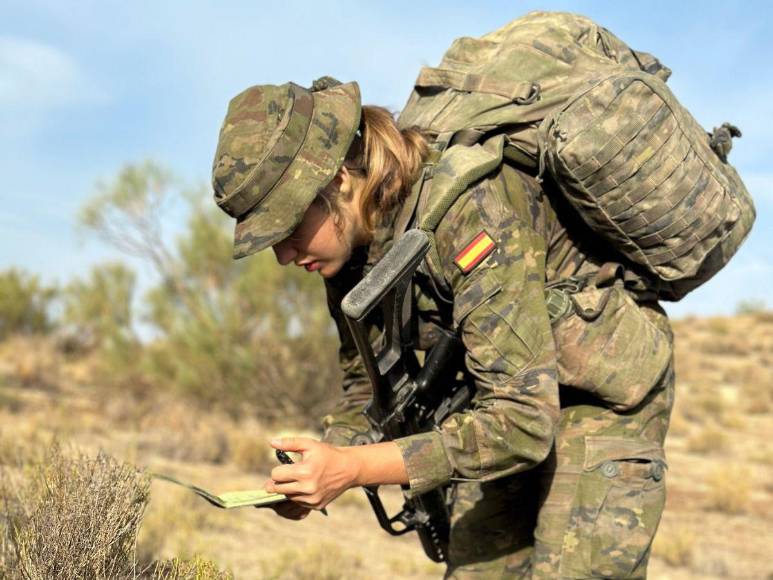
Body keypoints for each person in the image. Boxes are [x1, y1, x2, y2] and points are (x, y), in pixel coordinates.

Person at [211, 77, 674, 579]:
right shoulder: (349, 252)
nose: (283, 256)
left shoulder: (467, 210)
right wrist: (322, 462)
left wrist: (355, 468)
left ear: (339, 179)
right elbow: (369, 386)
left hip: (598, 396)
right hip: (493, 404)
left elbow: (522, 422)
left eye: (288, 228)